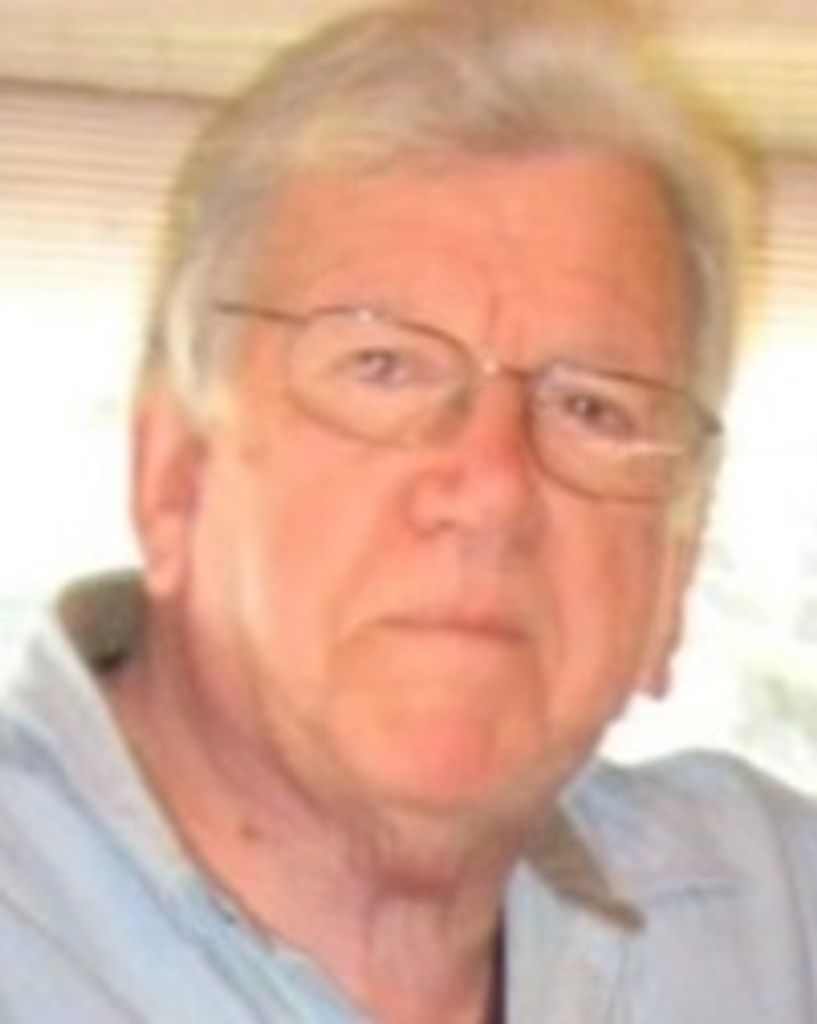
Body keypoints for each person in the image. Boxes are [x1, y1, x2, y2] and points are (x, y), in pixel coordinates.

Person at [2, 0, 816, 1021]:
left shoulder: (780, 925)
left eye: (592, 408)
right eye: (382, 367)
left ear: (673, 573)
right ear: (174, 480)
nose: (492, 487)